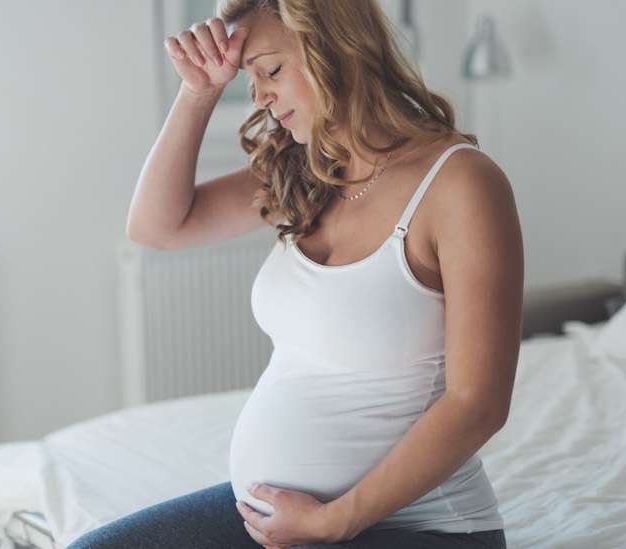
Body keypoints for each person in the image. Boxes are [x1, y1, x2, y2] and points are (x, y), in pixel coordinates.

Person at [71, 0, 522, 547]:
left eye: (271, 70)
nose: (258, 95)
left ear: (333, 49)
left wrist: (335, 520)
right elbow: (156, 228)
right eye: (250, 77)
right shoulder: (306, 170)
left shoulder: (461, 186)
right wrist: (198, 93)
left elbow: (478, 405)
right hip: (278, 518)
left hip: (423, 527)